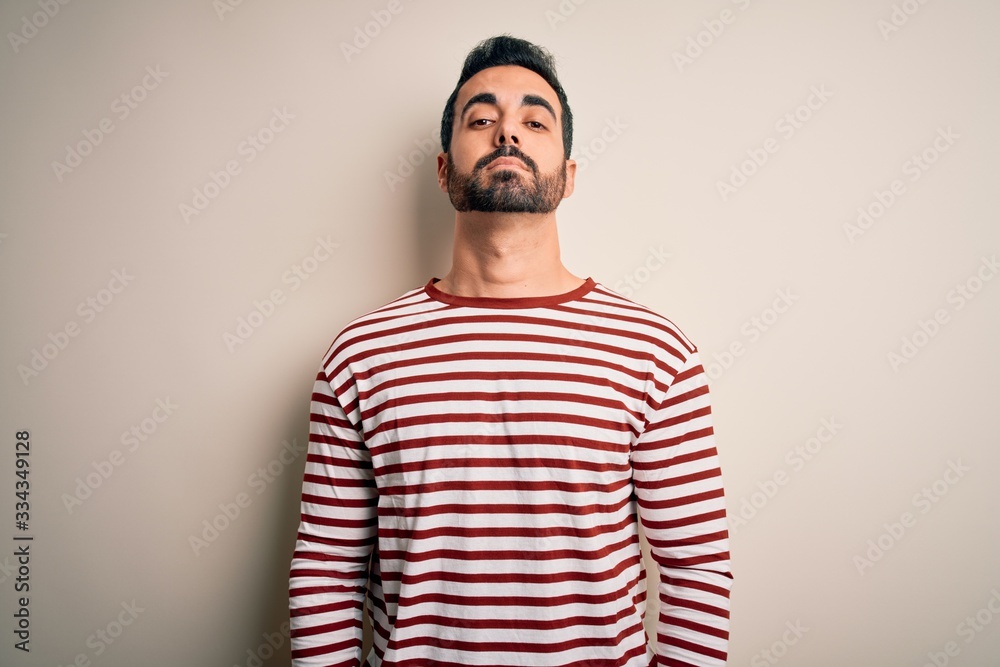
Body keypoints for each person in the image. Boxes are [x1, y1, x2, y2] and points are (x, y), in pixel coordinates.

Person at [288, 34, 733, 667]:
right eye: (481, 119)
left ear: (568, 176)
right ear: (444, 170)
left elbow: (698, 574)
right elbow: (325, 578)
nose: (506, 134)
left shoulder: (656, 353)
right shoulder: (361, 355)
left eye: (533, 120)